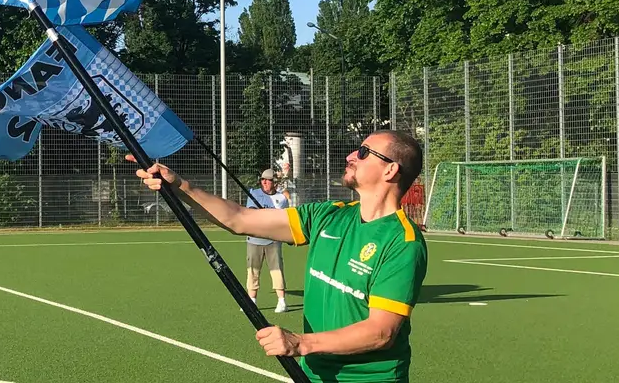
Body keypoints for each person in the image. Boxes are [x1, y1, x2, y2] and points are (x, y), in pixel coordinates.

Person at [132, 130, 428, 382]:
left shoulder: (403, 241)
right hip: (312, 374)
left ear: (390, 170)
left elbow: (381, 332)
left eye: (363, 152)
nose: (351, 155)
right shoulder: (328, 215)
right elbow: (239, 219)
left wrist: (302, 343)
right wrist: (180, 185)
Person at [246, 169, 292, 313]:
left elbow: (282, 219)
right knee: (252, 270)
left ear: (275, 183)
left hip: (273, 241)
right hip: (254, 240)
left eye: (268, 180)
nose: (265, 182)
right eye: (263, 180)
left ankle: (282, 302)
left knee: (277, 270)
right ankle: (252, 301)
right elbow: (252, 215)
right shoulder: (253, 194)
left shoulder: (281, 199)